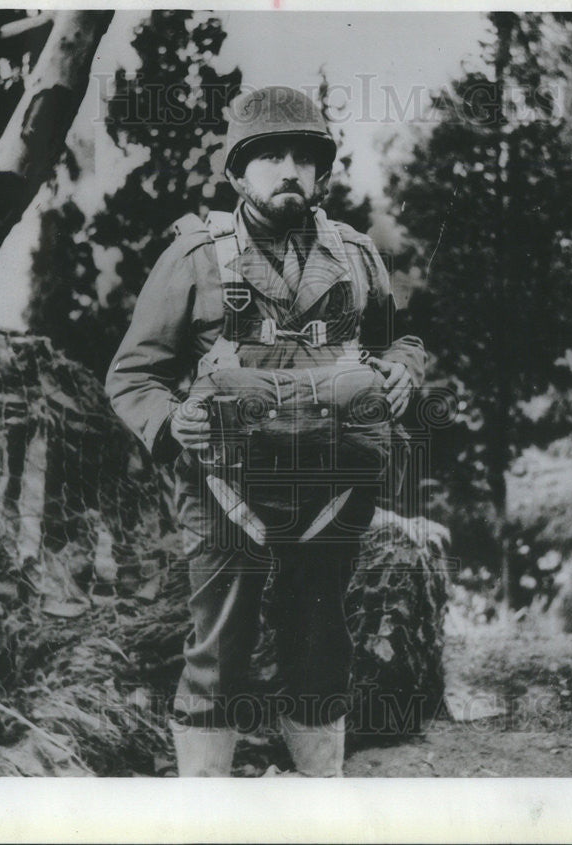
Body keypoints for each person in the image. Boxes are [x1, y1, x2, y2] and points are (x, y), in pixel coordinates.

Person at [106, 85, 425, 776]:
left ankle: (319, 800)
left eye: (304, 157)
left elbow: (399, 341)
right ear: (237, 171)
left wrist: (403, 368)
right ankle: (206, 810)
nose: (289, 170)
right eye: (270, 155)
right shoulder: (194, 256)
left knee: (320, 645)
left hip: (334, 484)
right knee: (218, 650)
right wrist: (172, 422)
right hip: (226, 484)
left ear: (320, 173)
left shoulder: (357, 255)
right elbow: (132, 374)